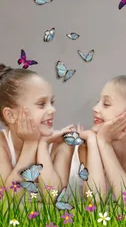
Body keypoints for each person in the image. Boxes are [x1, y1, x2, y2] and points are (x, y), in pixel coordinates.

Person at [78, 63, 126, 205]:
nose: (95, 108)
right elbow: (93, 201)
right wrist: (96, 142)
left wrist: (104, 143)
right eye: (98, 102)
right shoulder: (88, 147)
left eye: (106, 104)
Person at [0, 64, 75, 196]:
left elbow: (54, 197)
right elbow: (8, 200)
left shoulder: (61, 144)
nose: (52, 110)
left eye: (52, 102)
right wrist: (30, 144)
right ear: (11, 115)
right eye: (41, 104)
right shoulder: (2, 145)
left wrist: (42, 144)